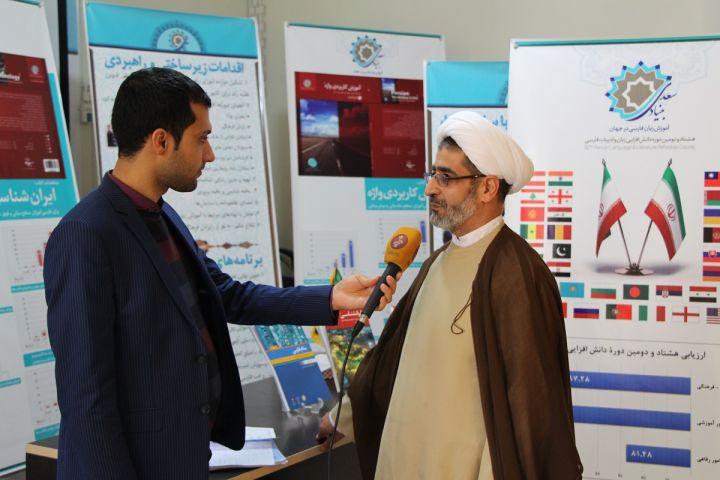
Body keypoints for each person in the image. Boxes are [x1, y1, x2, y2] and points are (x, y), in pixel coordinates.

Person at [44, 67, 398, 480]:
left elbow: (229, 295)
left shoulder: (163, 216)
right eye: (201, 138)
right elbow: (86, 397)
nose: (209, 154)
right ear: (161, 141)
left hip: (184, 457)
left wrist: (332, 298)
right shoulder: (85, 234)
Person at [318, 111, 583, 479]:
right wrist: (342, 416)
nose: (430, 189)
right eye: (432, 174)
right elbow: (393, 363)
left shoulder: (517, 274)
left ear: (487, 188)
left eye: (445, 178)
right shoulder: (436, 262)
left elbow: (529, 403)